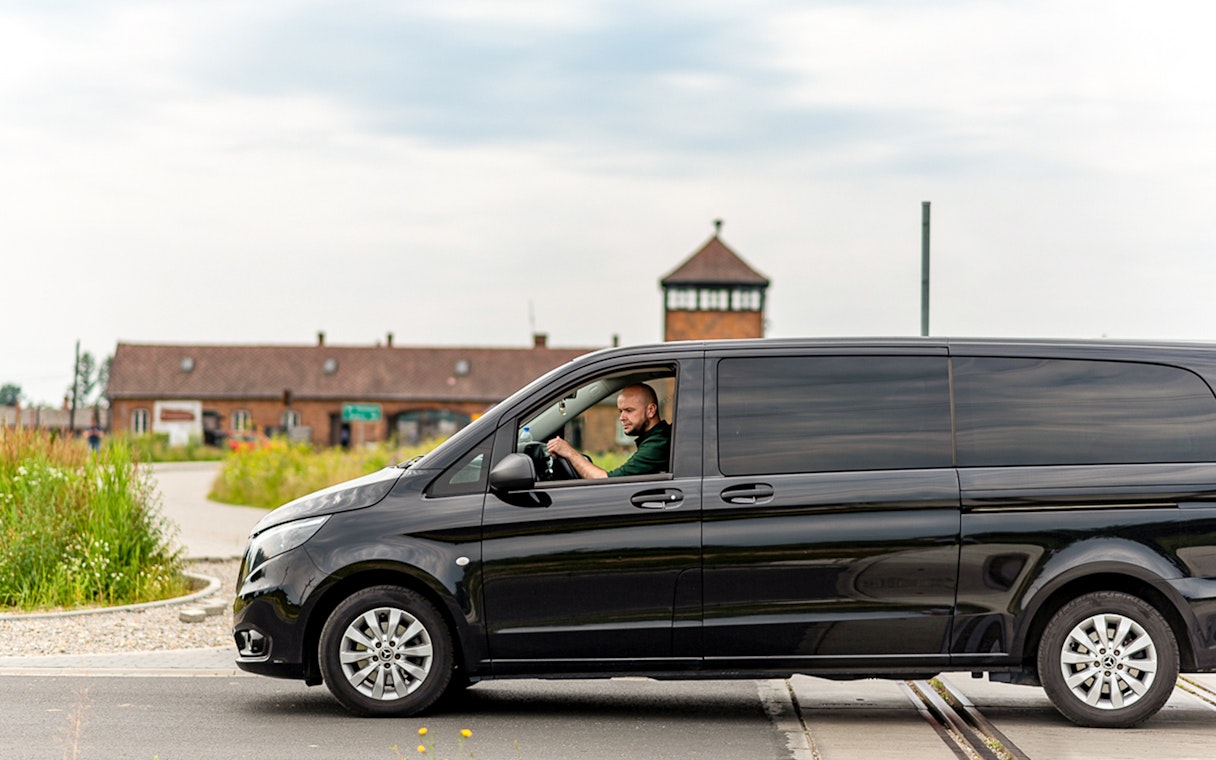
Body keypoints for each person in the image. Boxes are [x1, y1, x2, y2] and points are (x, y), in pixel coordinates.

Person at [546, 382, 671, 478]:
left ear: (651, 410)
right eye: (620, 411)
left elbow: (608, 481)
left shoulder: (658, 444)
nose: (622, 418)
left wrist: (570, 453)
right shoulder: (656, 439)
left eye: (629, 410)